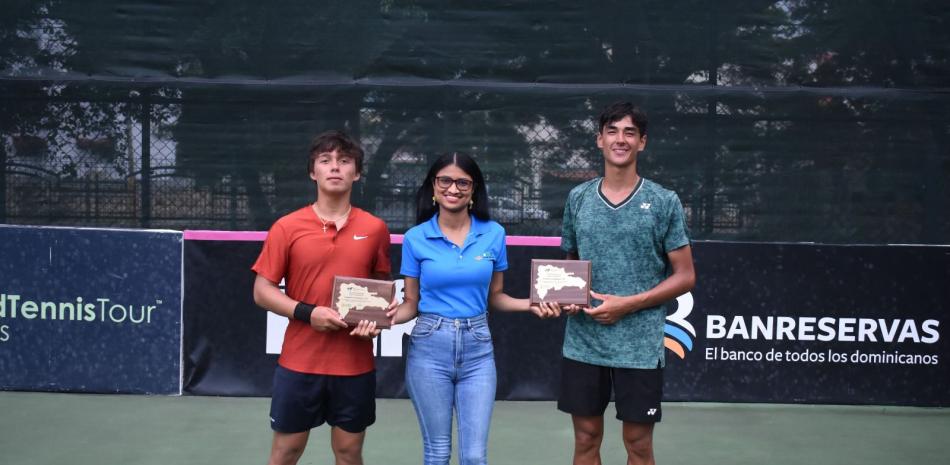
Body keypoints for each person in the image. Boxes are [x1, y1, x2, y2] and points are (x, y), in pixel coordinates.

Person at [390, 152, 559, 465]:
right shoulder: (416, 238)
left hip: (478, 350)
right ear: (432, 187)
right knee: (438, 453)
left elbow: (495, 296)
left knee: (475, 456)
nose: (453, 188)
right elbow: (411, 304)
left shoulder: (493, 234)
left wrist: (531, 304)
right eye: (445, 181)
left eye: (462, 182)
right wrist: (380, 319)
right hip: (429, 348)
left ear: (474, 189)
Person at [558, 102, 696, 465]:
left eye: (629, 132)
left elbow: (685, 276)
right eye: (613, 131)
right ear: (599, 140)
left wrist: (628, 303)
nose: (621, 139)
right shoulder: (579, 198)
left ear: (642, 143)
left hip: (639, 346)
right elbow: (570, 268)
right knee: (586, 439)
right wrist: (570, 298)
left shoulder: (664, 201)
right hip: (584, 343)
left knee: (637, 445)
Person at [251, 130, 393, 465]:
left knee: (348, 453)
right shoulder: (287, 227)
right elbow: (262, 291)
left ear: (356, 173)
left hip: (355, 365)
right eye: (325, 160)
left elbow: (379, 291)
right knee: (285, 453)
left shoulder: (375, 229)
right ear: (312, 171)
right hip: (299, 363)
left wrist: (375, 321)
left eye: (344, 161)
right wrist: (307, 313)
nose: (335, 168)